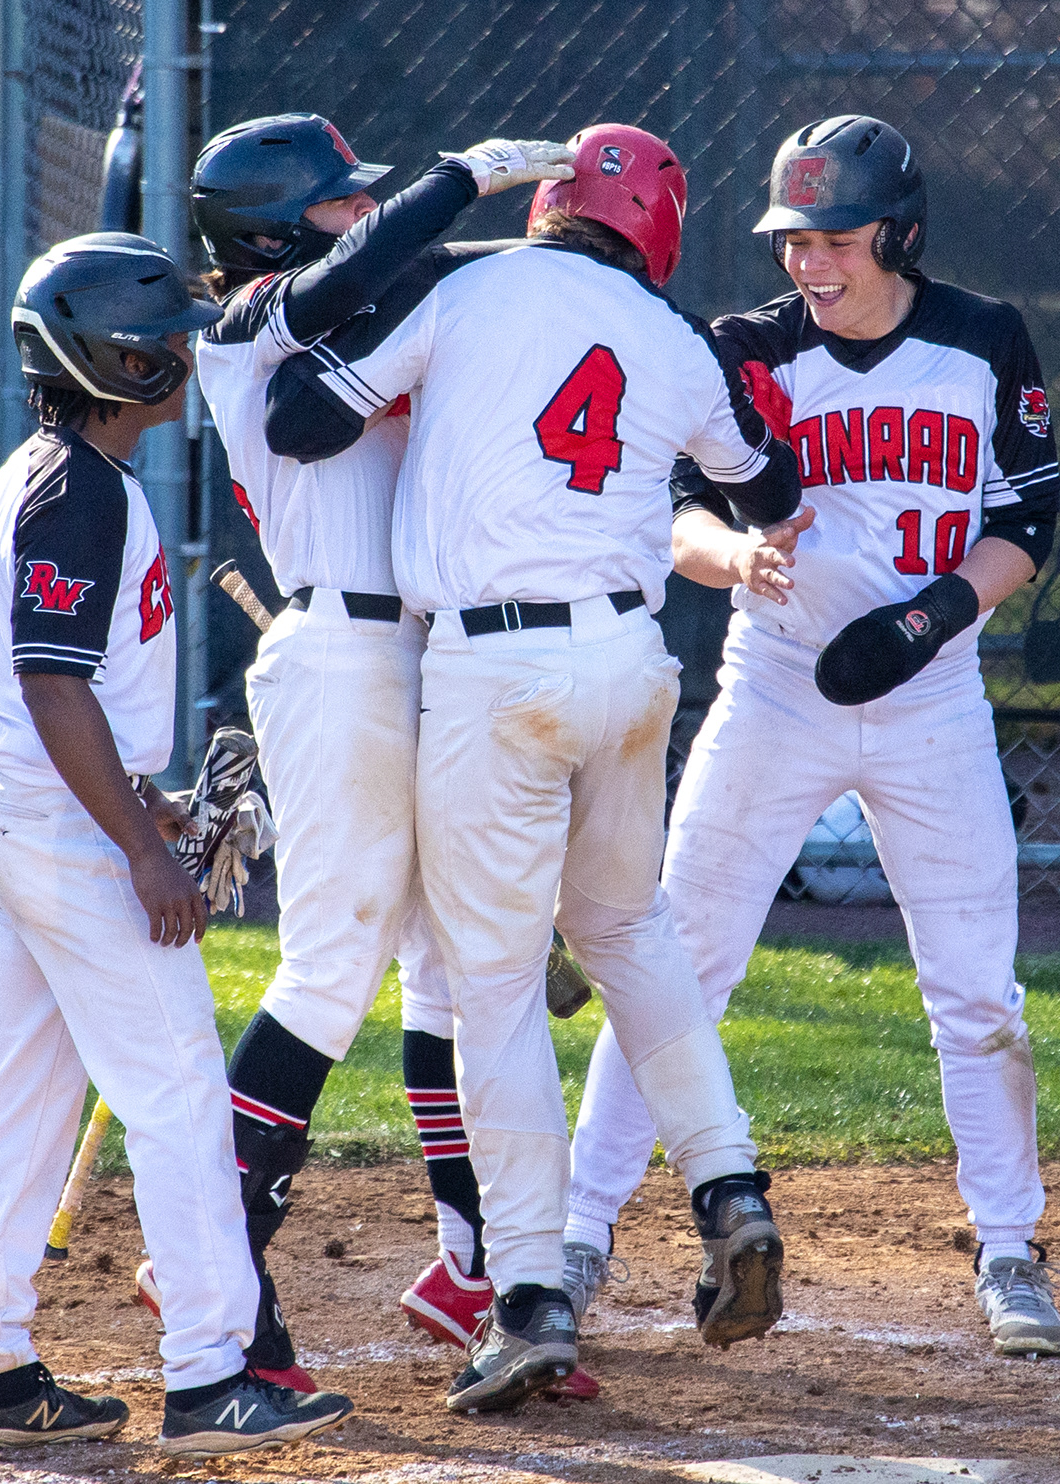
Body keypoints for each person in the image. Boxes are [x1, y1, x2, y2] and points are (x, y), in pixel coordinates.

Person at [266, 124, 802, 1413]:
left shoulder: (468, 286)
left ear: (550, 202)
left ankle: (525, 1296)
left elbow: (300, 420)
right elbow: (771, 490)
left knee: (497, 984)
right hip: (629, 660)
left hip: (493, 668)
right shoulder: (677, 338)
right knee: (628, 930)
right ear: (658, 230)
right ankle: (729, 1186)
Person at [560, 115, 1060, 1359]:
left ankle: (1010, 1247)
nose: (809, 261)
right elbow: (675, 511)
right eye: (794, 239)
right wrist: (736, 554)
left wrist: (931, 616)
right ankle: (575, 1235)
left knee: (977, 993)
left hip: (934, 699)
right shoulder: (747, 349)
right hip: (777, 687)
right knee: (674, 960)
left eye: (836, 238)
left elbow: (1026, 522)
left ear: (899, 233)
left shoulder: (983, 338)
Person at [151, 112, 602, 1399]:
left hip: (425, 652)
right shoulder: (247, 327)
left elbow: (417, 270)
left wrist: (563, 253)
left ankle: (473, 1267)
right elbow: (366, 265)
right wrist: (458, 178)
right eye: (338, 202)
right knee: (332, 960)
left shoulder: (364, 313)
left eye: (364, 198)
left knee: (452, 965)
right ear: (273, 234)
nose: (362, 214)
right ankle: (209, 1262)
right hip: (342, 653)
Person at [0, 231, 354, 1457]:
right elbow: (51, 680)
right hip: (62, 835)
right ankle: (211, 1373)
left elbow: (56, 692)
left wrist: (147, 803)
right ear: (117, 361)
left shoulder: (52, 470)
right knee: (179, 1097)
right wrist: (140, 848)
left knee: (18, 1102)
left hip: (23, 809)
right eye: (166, 339)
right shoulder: (83, 489)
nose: (183, 353)